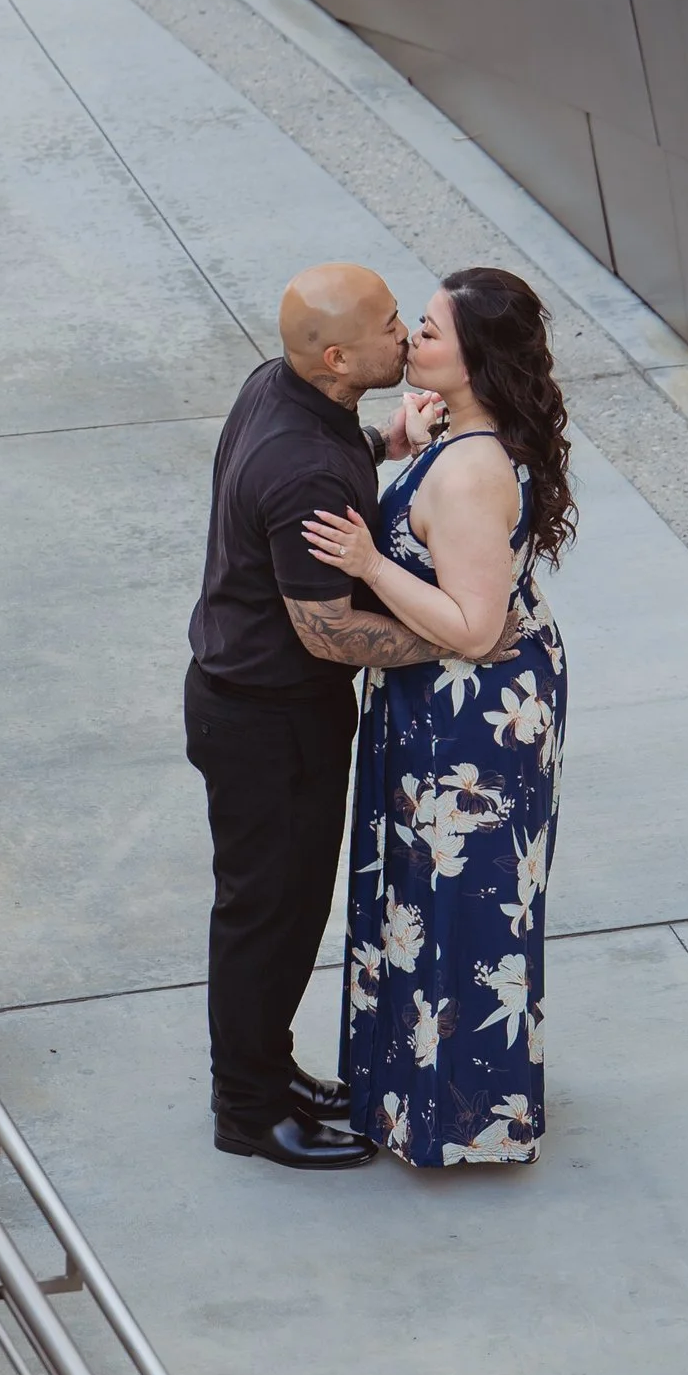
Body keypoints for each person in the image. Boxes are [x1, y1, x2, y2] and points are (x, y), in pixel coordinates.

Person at [303, 268, 573, 1169]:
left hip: (471, 727)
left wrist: (371, 565)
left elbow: (474, 626)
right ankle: (412, 1096)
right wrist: (397, 441)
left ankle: (456, 1121)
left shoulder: (469, 476)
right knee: (427, 899)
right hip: (449, 708)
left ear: (475, 359)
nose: (410, 340)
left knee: (456, 905)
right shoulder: (461, 435)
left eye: (426, 331)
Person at [184, 264, 442, 1168]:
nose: (405, 334)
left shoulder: (283, 391)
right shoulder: (303, 471)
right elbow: (330, 633)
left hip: (245, 701)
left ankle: (267, 1067)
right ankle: (247, 1112)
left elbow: (324, 465)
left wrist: (385, 443)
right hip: (268, 722)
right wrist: (458, 639)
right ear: (338, 355)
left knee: (277, 911)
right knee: (272, 917)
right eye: (389, 324)